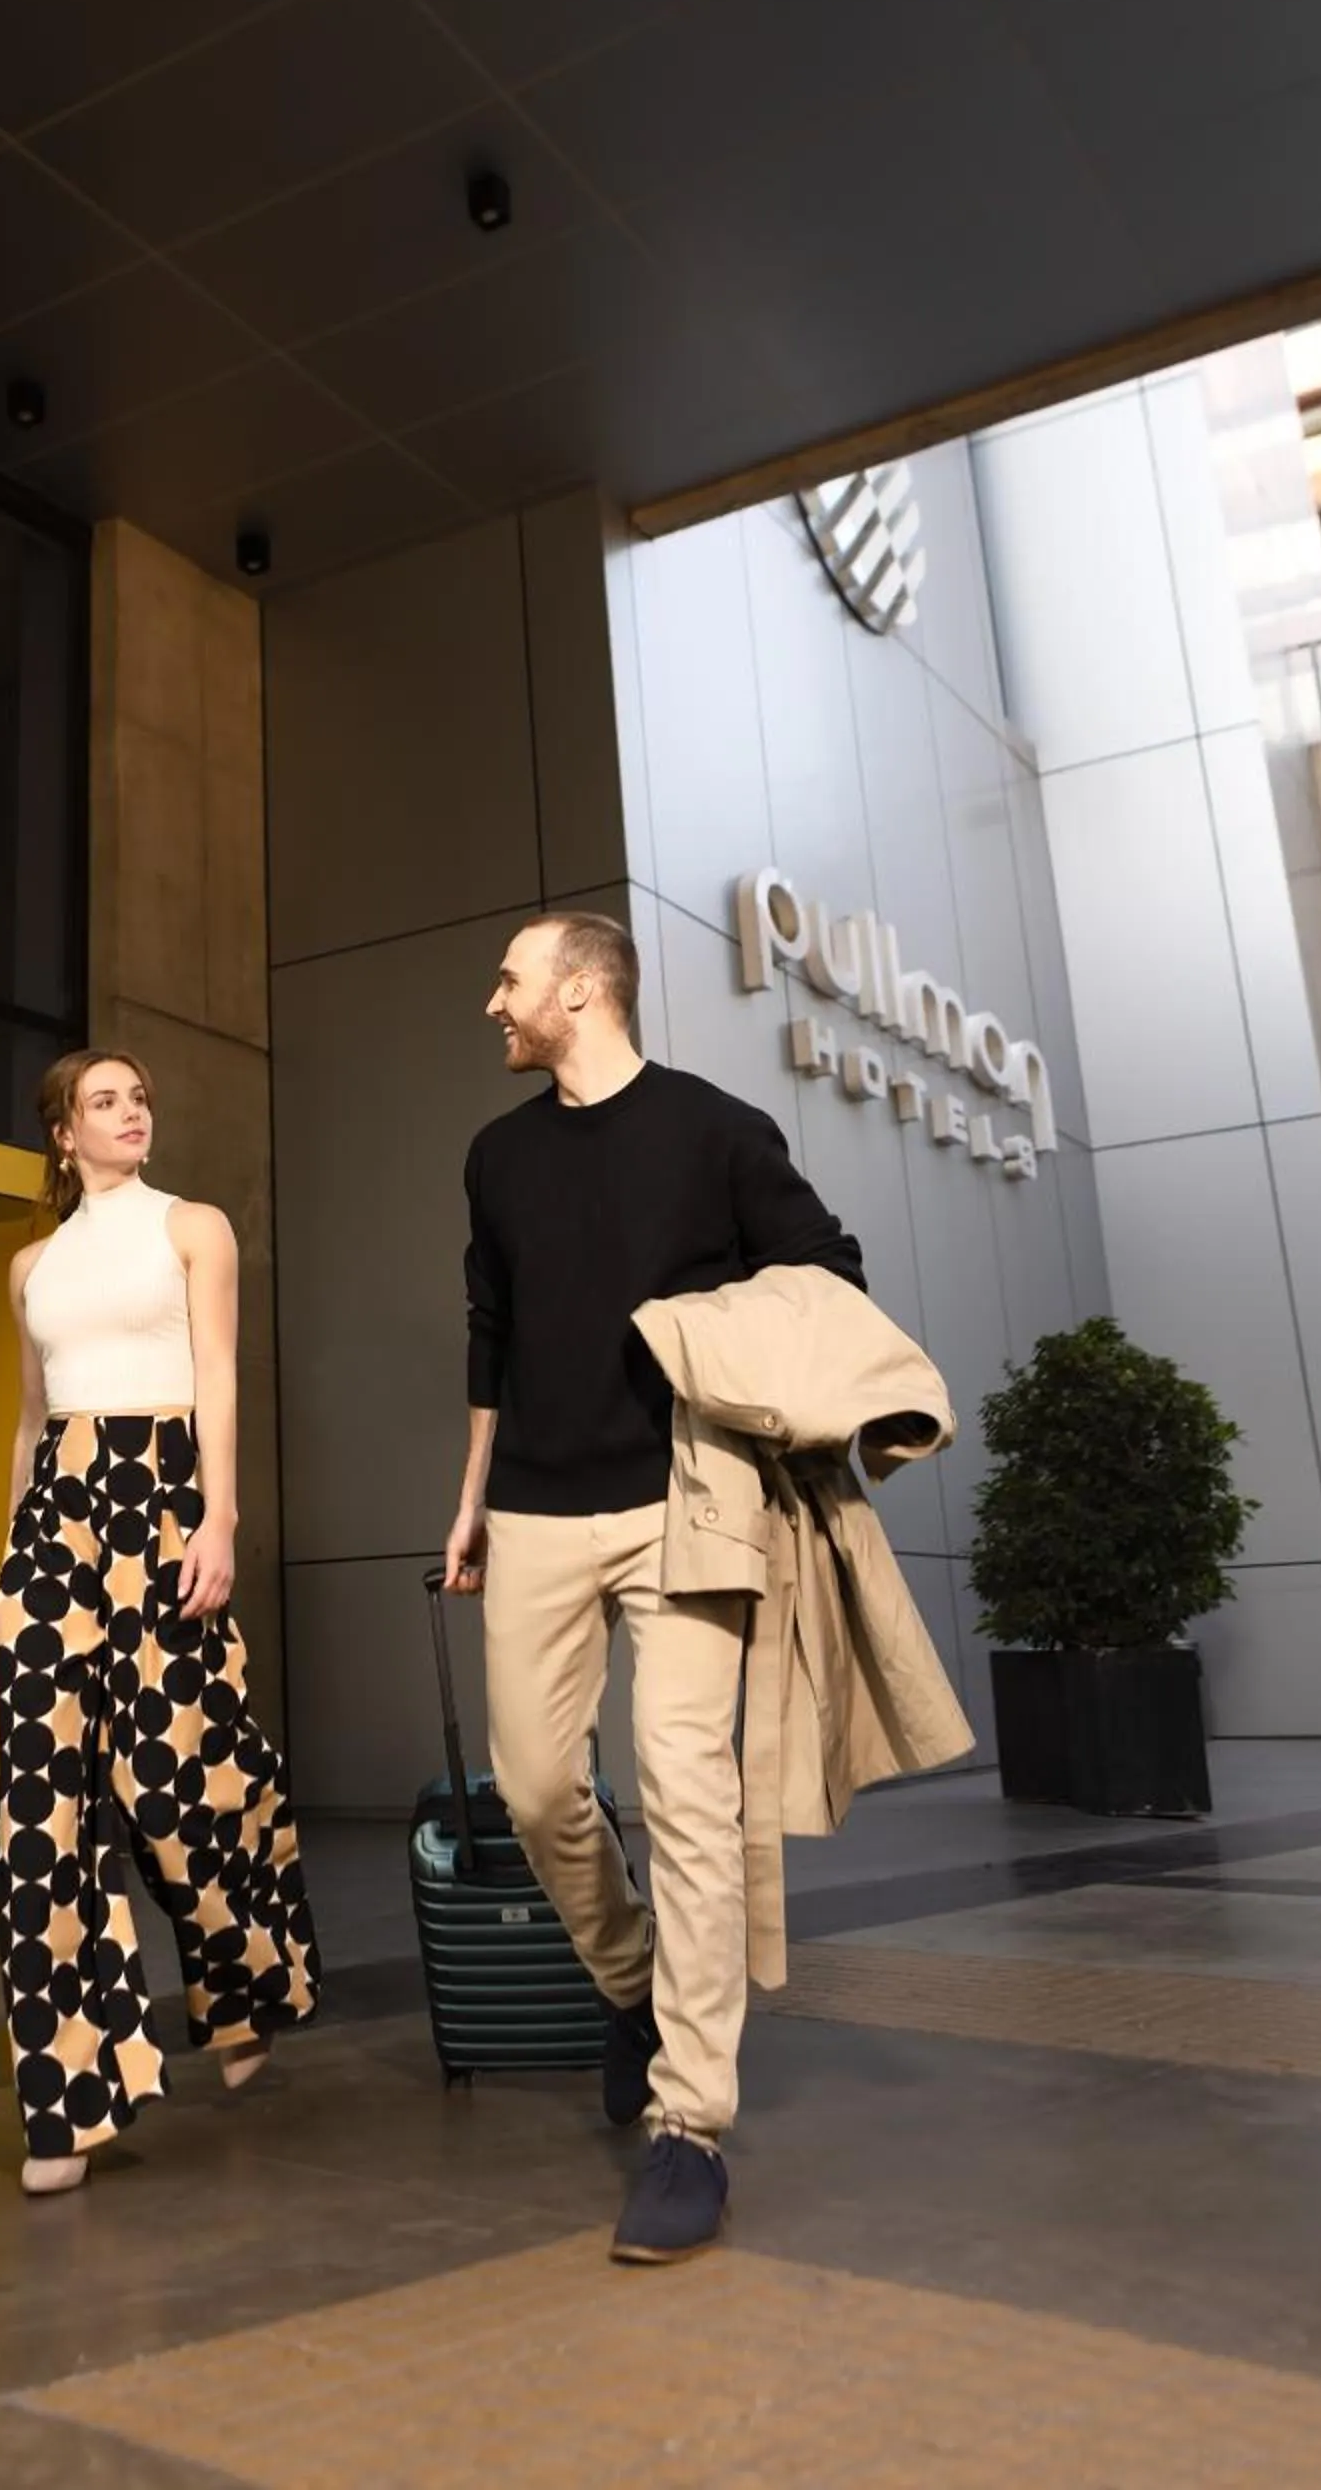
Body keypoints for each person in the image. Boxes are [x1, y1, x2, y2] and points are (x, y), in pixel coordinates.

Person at [444, 912, 863, 2265]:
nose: (490, 1004)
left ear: (577, 988)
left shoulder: (717, 1132)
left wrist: (712, 1352)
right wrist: (467, 1505)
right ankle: (630, 1984)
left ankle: (688, 2127)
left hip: (681, 1510)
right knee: (533, 1789)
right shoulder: (495, 1157)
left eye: (508, 982)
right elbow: (488, 1340)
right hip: (533, 1512)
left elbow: (828, 1278)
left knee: (685, 1789)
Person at [0, 1049, 317, 2195]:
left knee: (179, 1781)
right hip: (58, 1523)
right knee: (39, 1810)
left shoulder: (195, 1228)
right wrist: (8, 1558)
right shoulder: (31, 1264)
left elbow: (219, 1372)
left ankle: (245, 1986)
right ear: (62, 1133)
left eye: (140, 1096)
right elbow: (34, 1423)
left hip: (166, 1498)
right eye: (106, 1101)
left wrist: (217, 1519)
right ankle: (67, 2103)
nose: (133, 1113)